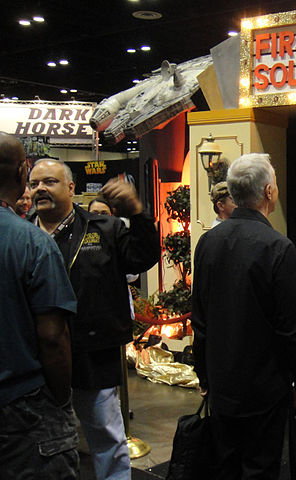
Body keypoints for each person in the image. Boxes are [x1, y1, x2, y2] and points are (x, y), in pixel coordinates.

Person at [28, 158, 160, 480]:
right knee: (39, 440)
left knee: (106, 438)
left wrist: (138, 215)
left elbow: (144, 256)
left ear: (71, 188)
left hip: (92, 353)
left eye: (50, 182)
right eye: (34, 184)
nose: (40, 189)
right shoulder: (21, 235)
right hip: (34, 357)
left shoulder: (104, 228)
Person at [192, 153, 296, 479]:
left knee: (225, 468)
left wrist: (204, 373)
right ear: (269, 192)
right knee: (260, 469)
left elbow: (199, 318)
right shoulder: (278, 247)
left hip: (221, 385)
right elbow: (292, 329)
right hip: (265, 390)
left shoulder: (207, 243)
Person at [0, 133, 79, 478]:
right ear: (22, 174)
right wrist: (60, 402)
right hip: (23, 409)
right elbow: (52, 337)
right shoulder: (31, 243)